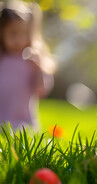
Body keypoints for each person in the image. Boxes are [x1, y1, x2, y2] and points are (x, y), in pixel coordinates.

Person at [0, 1, 55, 130]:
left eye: (24, 33)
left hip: (23, 124)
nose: (19, 39)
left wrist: (39, 70)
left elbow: (42, 91)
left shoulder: (32, 60)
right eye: (13, 33)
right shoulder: (2, 58)